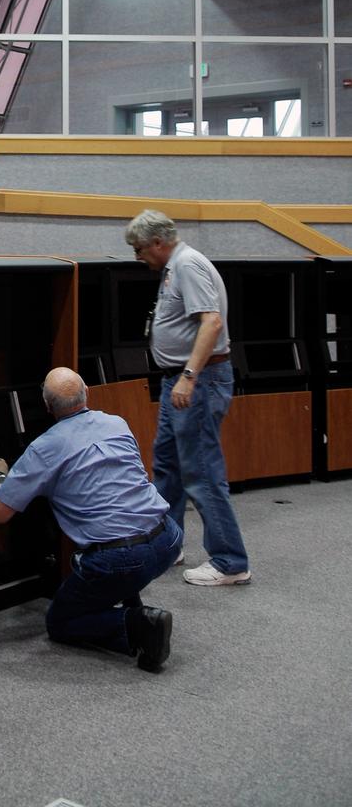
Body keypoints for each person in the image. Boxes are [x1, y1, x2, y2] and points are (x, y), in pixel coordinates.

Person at [0, 367, 182, 673]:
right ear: (87, 392)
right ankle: (133, 605)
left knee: (61, 621)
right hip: (168, 538)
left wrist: (0, 474)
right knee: (119, 545)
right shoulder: (116, 423)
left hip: (122, 557)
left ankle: (138, 623)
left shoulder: (44, 448)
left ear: (47, 407)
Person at [125, 208, 251, 587]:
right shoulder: (173, 266)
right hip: (177, 382)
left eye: (139, 249)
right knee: (167, 465)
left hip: (196, 381)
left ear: (158, 243)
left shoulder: (188, 265)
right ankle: (169, 544)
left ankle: (231, 562)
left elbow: (211, 322)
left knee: (201, 472)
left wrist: (189, 376)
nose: (137, 257)